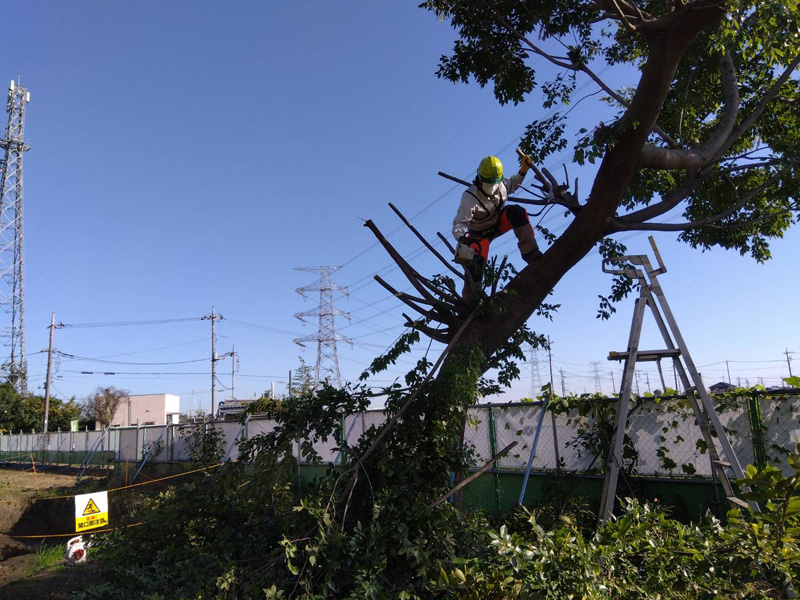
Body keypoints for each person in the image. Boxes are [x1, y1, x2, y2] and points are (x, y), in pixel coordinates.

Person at [452, 154, 543, 283]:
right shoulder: (470, 197)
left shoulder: (501, 184)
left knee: (517, 212)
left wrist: (523, 169)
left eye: (495, 182)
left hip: (499, 224)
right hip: (479, 235)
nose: (493, 185)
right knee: (474, 270)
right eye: (490, 182)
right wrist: (461, 239)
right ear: (480, 178)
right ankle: (472, 298)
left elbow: (513, 183)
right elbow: (459, 223)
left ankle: (531, 253)